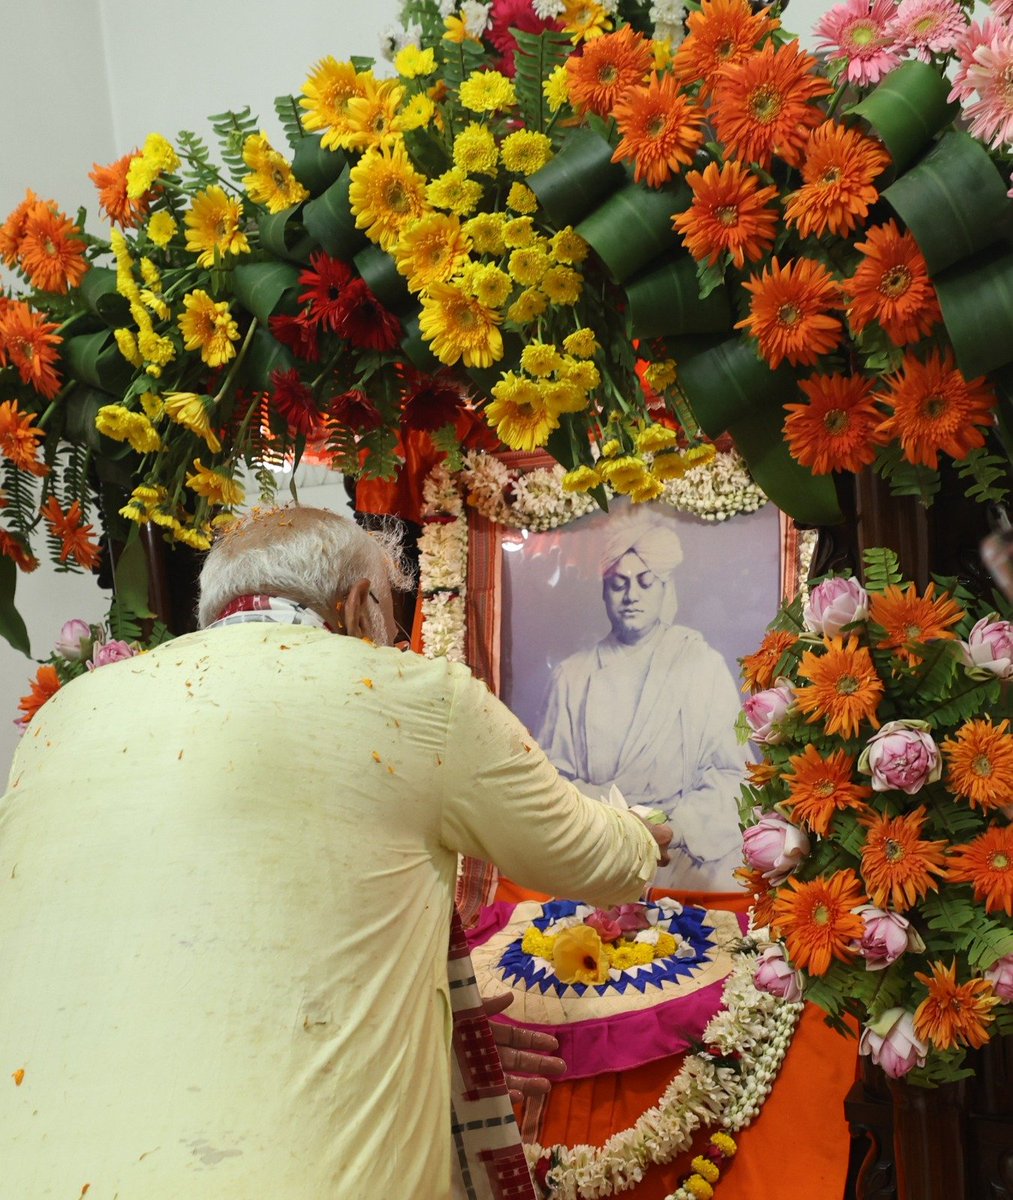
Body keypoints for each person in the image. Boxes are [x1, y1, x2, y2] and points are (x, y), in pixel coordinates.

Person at [0, 505, 670, 1200]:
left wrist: (419, 1018)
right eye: (390, 614)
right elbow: (598, 863)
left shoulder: (67, 716)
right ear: (357, 607)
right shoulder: (411, 696)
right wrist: (644, 827)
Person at [537, 511, 745, 890]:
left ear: (666, 588)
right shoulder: (573, 675)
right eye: (619, 584)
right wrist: (611, 824)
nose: (632, 596)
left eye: (646, 582)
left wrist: (674, 828)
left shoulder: (702, 665)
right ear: (603, 592)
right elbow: (550, 782)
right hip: (598, 853)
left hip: (686, 858)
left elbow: (733, 775)